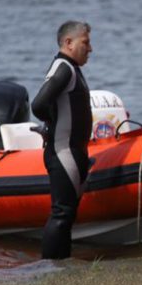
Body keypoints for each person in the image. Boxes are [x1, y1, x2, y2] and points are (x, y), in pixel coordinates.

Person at [32, 20, 93, 260]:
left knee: (67, 214)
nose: (90, 49)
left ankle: (62, 267)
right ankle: (50, 269)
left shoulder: (71, 68)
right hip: (63, 151)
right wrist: (52, 124)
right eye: (85, 42)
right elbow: (38, 104)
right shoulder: (64, 67)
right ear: (68, 43)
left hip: (73, 151)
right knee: (62, 213)